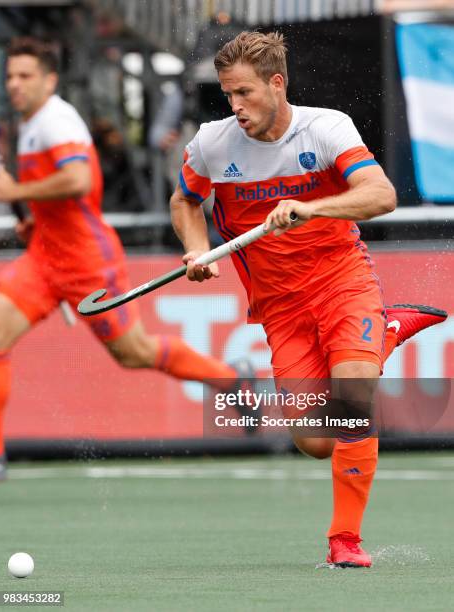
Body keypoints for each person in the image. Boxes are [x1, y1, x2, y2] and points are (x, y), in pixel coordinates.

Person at [170, 31, 447, 568]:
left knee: (350, 410)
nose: (236, 107)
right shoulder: (212, 142)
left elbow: (381, 194)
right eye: (228, 95)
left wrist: (312, 208)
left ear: (277, 83)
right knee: (315, 440)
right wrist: (197, 249)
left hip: (341, 281)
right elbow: (185, 199)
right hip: (278, 304)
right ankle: (388, 331)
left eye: (245, 93)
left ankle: (344, 540)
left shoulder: (325, 127)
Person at [0, 37, 252, 482]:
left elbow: (77, 181)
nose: (14, 85)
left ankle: (232, 380)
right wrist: (34, 219)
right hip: (43, 258)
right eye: (10, 76)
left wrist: (15, 193)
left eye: (25, 76)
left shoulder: (58, 121)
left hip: (87, 263)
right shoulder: (32, 123)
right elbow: (58, 198)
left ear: (50, 80)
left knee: (134, 353)